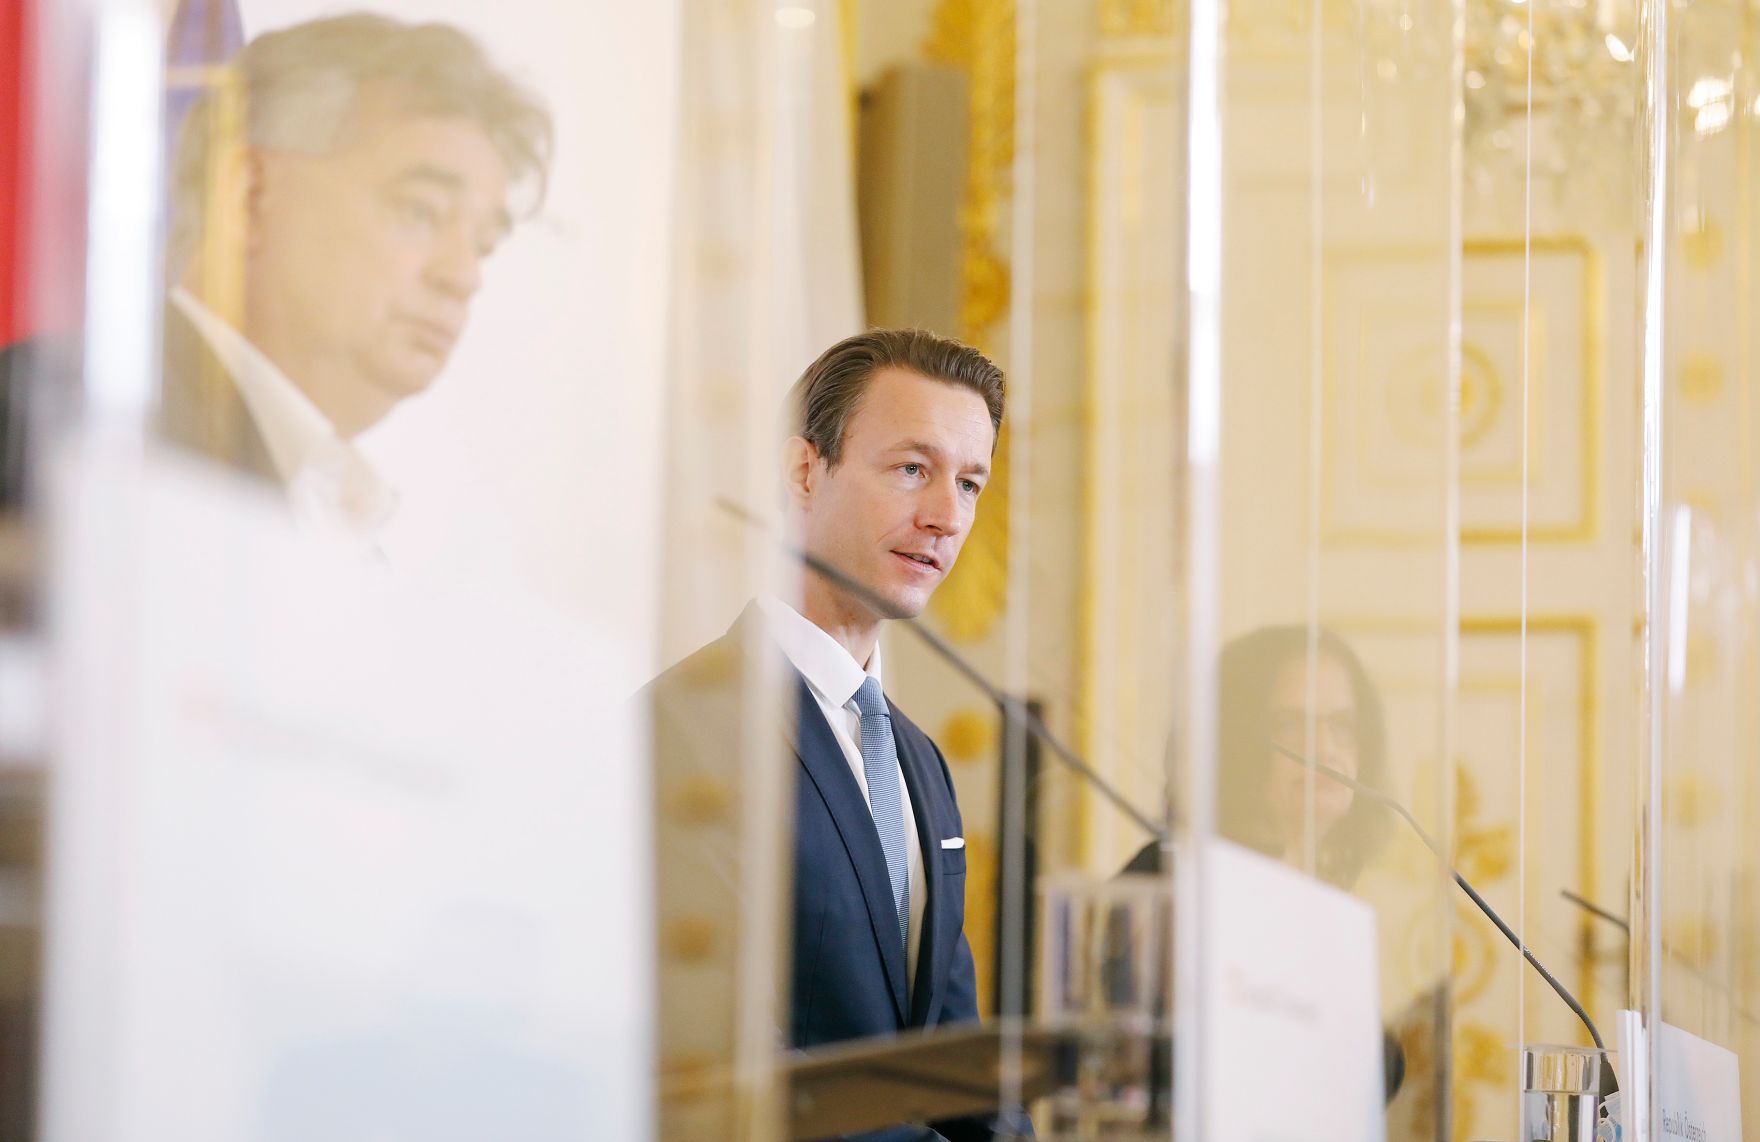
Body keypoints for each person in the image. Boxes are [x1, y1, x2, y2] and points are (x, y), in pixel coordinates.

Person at [646, 329, 1029, 1142]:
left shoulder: (920, 763)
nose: (945, 517)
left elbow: (949, 1046)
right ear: (803, 470)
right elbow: (727, 1054)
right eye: (912, 470)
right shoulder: (689, 722)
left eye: (970, 483)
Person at [0, 13, 552, 540]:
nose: (463, 276)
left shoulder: (345, 520)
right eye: (421, 211)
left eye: (483, 244)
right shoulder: (63, 418)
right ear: (248, 195)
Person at [1127, 625, 1391, 888]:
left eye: (1343, 725)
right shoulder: (1173, 871)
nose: (1325, 748)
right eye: (1289, 724)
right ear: (1234, 742)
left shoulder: (1331, 890)